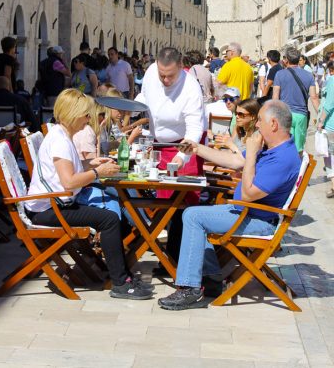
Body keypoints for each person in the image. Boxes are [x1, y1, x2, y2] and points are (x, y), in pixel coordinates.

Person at [158, 100, 301, 310]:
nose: (257, 126)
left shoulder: (282, 158)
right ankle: (211, 279)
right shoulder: (273, 149)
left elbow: (247, 194)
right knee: (193, 215)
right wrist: (197, 148)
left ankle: (190, 289)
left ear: (273, 124)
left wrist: (251, 153)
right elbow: (233, 161)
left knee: (193, 217)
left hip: (259, 220)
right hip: (248, 213)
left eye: (260, 120)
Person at [24, 89, 153, 300]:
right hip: (49, 210)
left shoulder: (62, 135)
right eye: (85, 115)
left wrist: (90, 163)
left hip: (53, 205)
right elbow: (69, 181)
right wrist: (96, 173)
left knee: (110, 214)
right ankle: (120, 283)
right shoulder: (60, 141)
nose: (88, 119)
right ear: (73, 114)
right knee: (110, 219)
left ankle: (122, 276)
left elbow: (69, 169)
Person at [136, 47, 205, 268]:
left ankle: (182, 261)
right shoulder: (150, 72)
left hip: (185, 145)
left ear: (181, 67)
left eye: (170, 76)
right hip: (159, 144)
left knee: (185, 203)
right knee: (164, 204)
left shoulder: (191, 88)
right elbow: (144, 96)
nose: (165, 80)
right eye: (162, 75)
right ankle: (167, 259)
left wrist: (180, 158)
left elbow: (195, 130)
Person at [272, 47, 319, 153]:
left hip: (285, 114)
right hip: (301, 116)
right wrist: (320, 116)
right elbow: (314, 97)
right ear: (299, 60)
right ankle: (298, 167)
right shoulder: (309, 75)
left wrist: (273, 115)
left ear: (286, 60)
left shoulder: (279, 74)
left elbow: (275, 97)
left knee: (283, 146)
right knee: (299, 148)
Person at [317, 60, 334, 198]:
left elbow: (329, 104)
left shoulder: (333, 80)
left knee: (329, 155)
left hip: (331, 123)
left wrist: (321, 121)